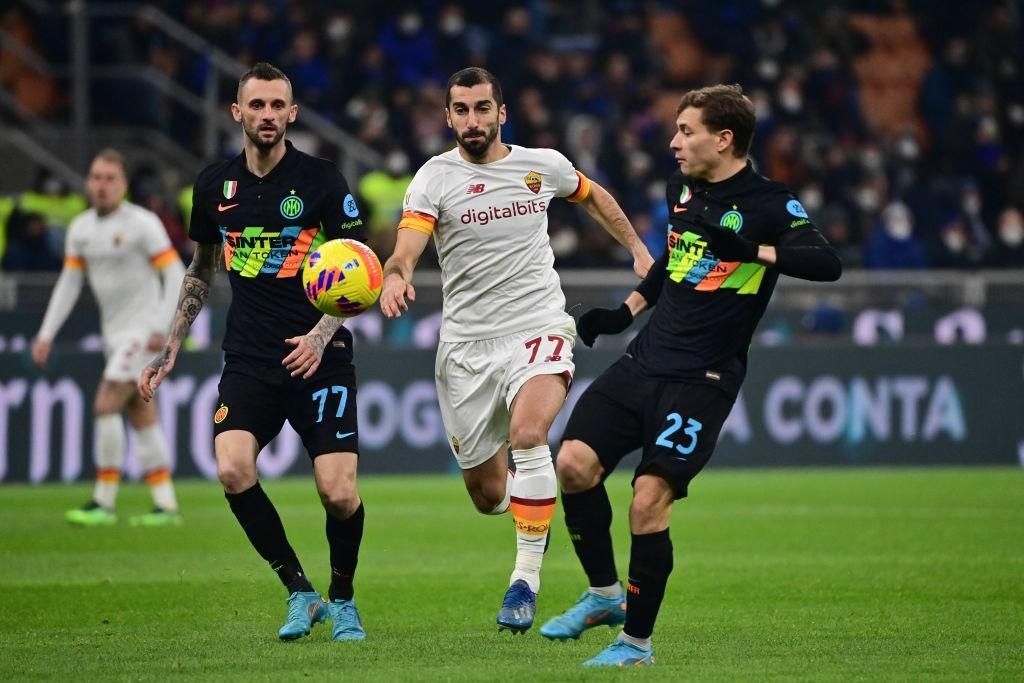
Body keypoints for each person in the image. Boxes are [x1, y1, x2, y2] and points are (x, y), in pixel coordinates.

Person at [539, 84, 842, 666]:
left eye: (686, 131)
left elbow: (826, 263)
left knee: (648, 502)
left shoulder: (770, 203)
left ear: (723, 139)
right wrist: (621, 312)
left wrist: (755, 251)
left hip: (703, 379)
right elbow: (675, 265)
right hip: (645, 360)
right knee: (573, 465)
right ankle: (604, 595)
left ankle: (636, 644)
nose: (674, 142)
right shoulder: (685, 191)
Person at [379, 67, 652, 633]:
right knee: (486, 494)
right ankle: (534, 505)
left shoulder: (541, 165)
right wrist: (396, 272)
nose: (472, 120)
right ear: (447, 116)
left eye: (483, 108)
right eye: (461, 110)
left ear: (502, 112)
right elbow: (409, 243)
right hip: (466, 347)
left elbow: (593, 196)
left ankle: (524, 581)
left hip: (538, 324)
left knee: (531, 436)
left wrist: (638, 251)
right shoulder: (434, 178)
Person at [138, 63, 369, 642]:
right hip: (249, 358)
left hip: (321, 356)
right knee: (233, 468)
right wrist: (170, 348)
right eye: (257, 105)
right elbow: (200, 271)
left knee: (338, 493)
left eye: (278, 105)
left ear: (292, 113)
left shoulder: (322, 180)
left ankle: (342, 598)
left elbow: (361, 270)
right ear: (237, 112)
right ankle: (301, 592)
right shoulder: (214, 185)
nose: (268, 115)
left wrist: (320, 337)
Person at [32, 149, 185, 527]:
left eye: (110, 179)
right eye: (96, 178)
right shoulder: (81, 228)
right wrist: (46, 333)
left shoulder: (142, 223)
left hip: (142, 331)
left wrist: (159, 328)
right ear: (88, 182)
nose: (102, 186)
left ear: (124, 186)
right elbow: (69, 284)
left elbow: (177, 272)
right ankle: (165, 506)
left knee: (105, 404)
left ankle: (103, 500)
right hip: (113, 335)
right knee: (141, 413)